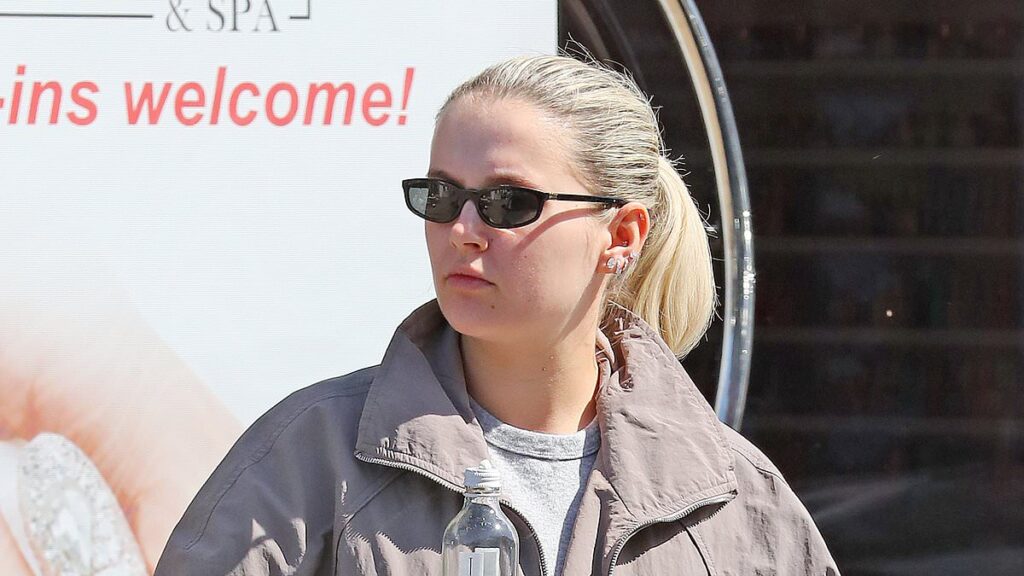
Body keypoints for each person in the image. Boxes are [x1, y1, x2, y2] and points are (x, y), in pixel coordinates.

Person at [154, 54, 839, 575]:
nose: (463, 230)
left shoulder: (732, 498)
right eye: (441, 197)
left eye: (509, 203)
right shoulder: (310, 456)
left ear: (621, 235)